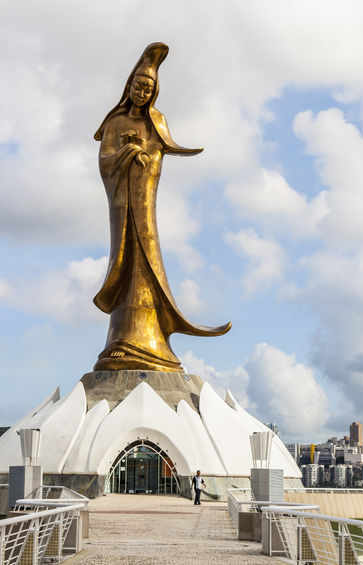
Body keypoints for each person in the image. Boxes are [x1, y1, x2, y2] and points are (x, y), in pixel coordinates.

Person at [93, 42, 230, 372]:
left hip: (144, 207)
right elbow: (106, 162)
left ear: (155, 93)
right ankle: (122, 339)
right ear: (129, 87)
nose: (142, 92)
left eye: (148, 88)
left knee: (148, 261)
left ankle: (151, 340)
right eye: (138, 86)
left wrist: (145, 155)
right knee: (128, 262)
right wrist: (127, 153)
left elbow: (161, 151)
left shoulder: (157, 121)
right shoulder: (114, 124)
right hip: (124, 208)